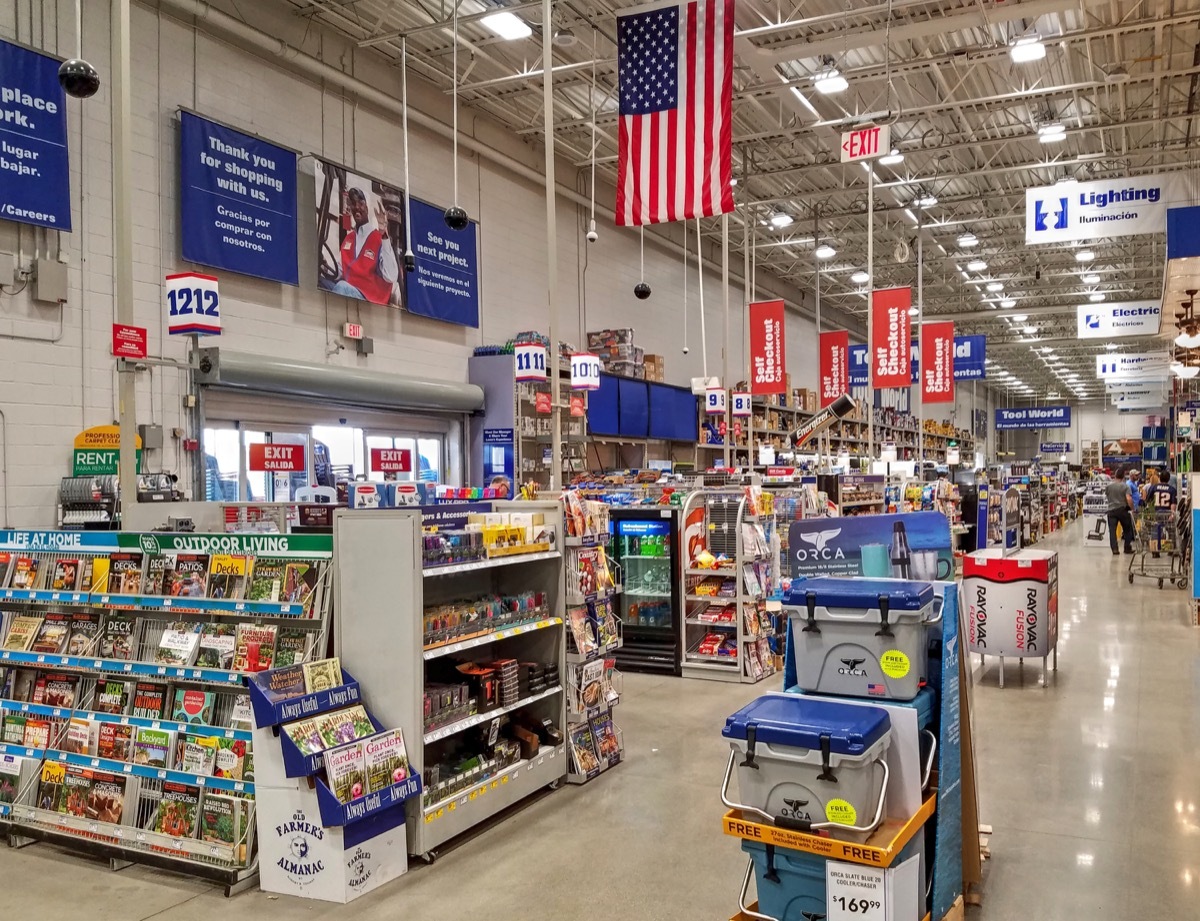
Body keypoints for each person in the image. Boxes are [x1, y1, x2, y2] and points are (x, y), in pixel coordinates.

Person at [319, 186, 399, 304]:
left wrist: (384, 233)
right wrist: (325, 265)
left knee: (341, 287)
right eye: (353, 204)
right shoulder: (349, 239)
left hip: (370, 298)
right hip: (349, 290)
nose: (357, 207)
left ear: (366, 207)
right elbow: (340, 269)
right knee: (318, 280)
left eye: (360, 203)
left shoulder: (379, 238)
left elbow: (391, 276)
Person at [1105, 467, 1135, 555]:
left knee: (1112, 530)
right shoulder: (1125, 486)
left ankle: (1114, 549)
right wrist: (1132, 508)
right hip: (1122, 510)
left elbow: (1107, 496)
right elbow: (1129, 498)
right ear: (1123, 476)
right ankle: (1127, 548)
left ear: (1115, 475)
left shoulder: (1108, 486)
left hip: (1111, 510)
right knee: (1127, 529)